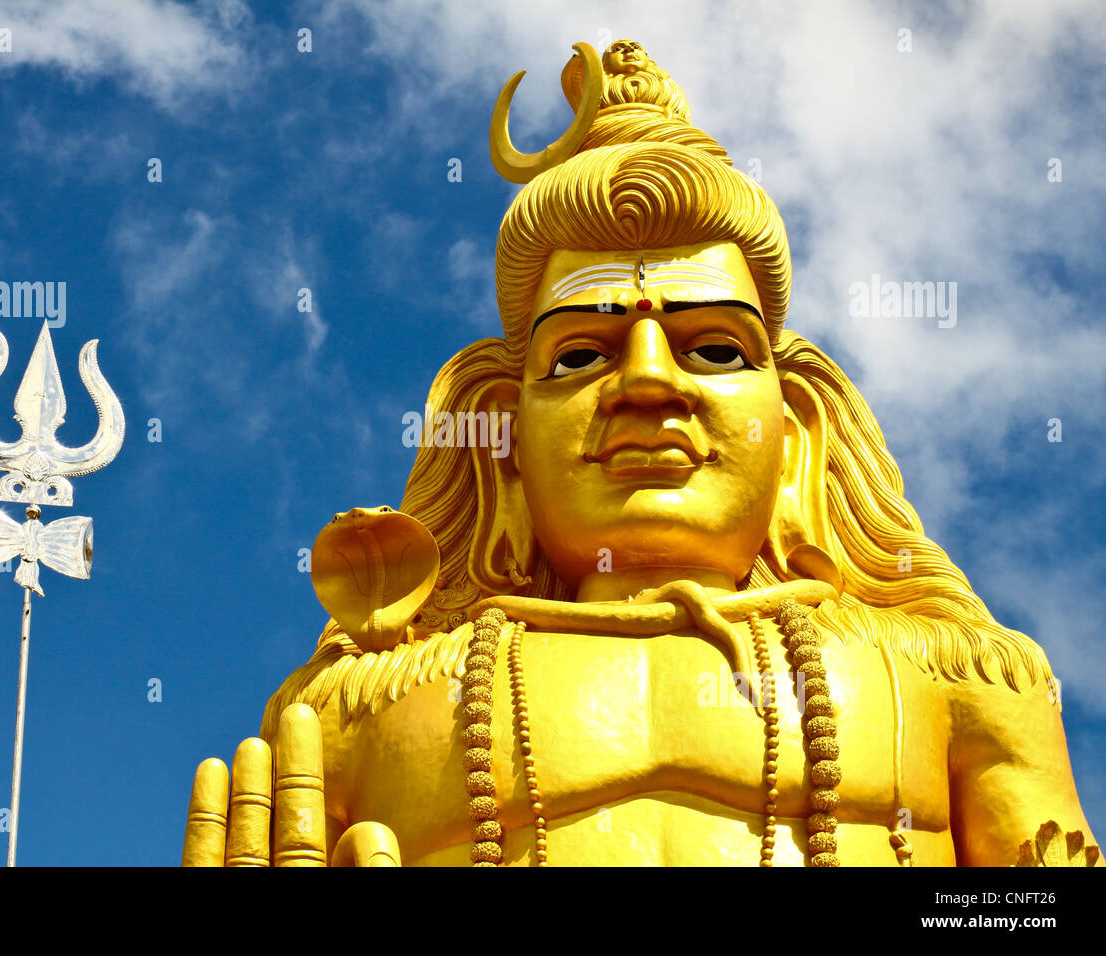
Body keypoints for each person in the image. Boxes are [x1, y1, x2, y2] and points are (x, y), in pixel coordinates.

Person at [181, 39, 1098, 867]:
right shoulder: (360, 714)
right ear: (499, 437)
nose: (649, 384)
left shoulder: (959, 684)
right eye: (580, 355)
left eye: (717, 348)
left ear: (799, 435)